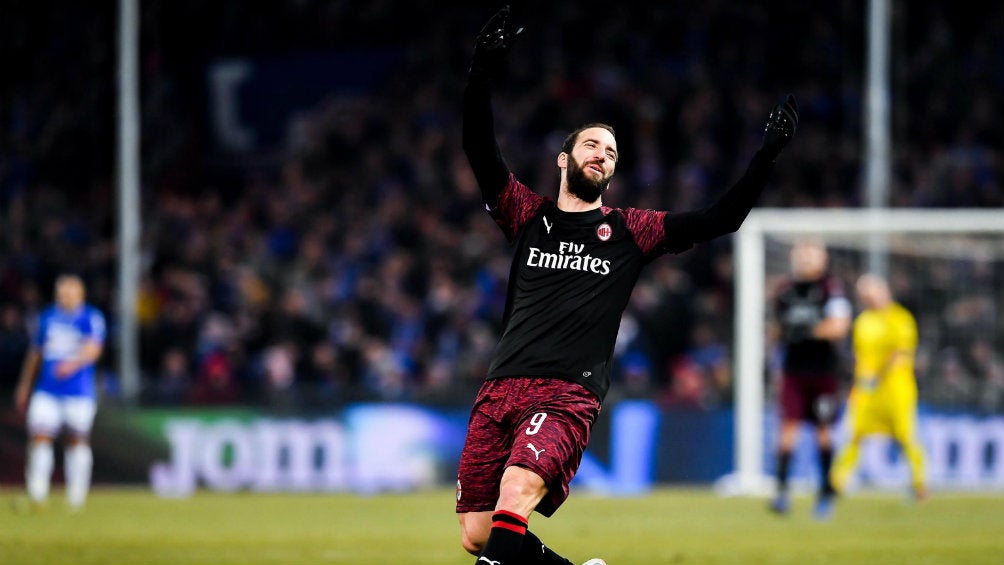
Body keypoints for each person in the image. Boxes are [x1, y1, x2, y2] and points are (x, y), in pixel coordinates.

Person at [456, 6, 799, 565]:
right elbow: (479, 148)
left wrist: (767, 156)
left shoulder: (630, 230)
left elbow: (721, 218)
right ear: (565, 158)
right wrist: (481, 71)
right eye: (593, 145)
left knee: (515, 495)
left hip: (566, 391)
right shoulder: (526, 214)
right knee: (476, 533)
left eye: (611, 152)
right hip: (501, 386)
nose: (603, 155)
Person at [769, 239, 851, 519]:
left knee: (823, 432)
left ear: (823, 258)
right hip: (793, 371)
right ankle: (781, 492)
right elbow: (776, 329)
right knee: (787, 429)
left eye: (811, 253)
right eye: (800, 253)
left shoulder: (831, 289)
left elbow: (840, 327)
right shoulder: (784, 291)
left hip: (823, 372)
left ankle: (825, 492)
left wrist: (810, 331)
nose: (805, 258)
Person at [830, 274, 928, 502]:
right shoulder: (863, 320)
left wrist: (878, 375)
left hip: (896, 389)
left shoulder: (901, 318)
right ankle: (835, 483)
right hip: (867, 389)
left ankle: (919, 485)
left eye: (871, 291)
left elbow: (900, 354)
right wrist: (858, 383)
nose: (867, 297)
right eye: (863, 293)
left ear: (884, 291)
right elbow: (859, 356)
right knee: (854, 434)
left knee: (906, 436)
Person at [13, 274, 107, 512]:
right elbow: (35, 353)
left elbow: (94, 350)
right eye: (61, 292)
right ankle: (37, 494)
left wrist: (72, 364)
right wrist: (25, 384)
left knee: (77, 441)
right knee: (40, 438)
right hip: (47, 390)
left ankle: (76, 497)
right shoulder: (48, 317)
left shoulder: (90, 317)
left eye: (69, 292)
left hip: (79, 392)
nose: (64, 296)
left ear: (80, 294)